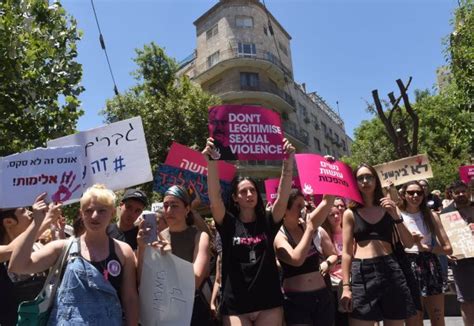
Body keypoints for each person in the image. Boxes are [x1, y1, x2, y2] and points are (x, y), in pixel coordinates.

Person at [9, 185, 139, 325]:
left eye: (102, 210)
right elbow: (18, 266)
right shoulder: (62, 247)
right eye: (89, 210)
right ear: (81, 213)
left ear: (113, 213)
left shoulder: (124, 251)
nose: (94, 216)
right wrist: (36, 223)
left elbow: (130, 298)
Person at [203, 137, 295, 326]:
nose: (250, 195)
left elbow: (284, 194)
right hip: (236, 305)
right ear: (235, 198)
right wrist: (211, 163)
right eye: (243, 192)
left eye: (252, 190)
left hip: (268, 302)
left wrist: (287, 160)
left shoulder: (269, 220)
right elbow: (214, 198)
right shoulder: (227, 223)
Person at [339, 163, 416, 325]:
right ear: (355, 183)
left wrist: (395, 214)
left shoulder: (389, 207)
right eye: (360, 178)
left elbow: (408, 243)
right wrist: (346, 287)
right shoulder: (349, 214)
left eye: (369, 177)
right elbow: (346, 253)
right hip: (362, 272)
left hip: (391, 270)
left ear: (376, 181)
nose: (365, 181)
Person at [137, 185, 211, 326]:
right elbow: (142, 280)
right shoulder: (155, 238)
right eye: (166, 205)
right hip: (162, 309)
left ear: (187, 209)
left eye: (175, 205)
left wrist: (170, 256)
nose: (169, 210)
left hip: (191, 310)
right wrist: (141, 248)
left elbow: (194, 281)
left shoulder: (200, 237)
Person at [274, 188, 337, 325]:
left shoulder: (306, 225)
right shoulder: (280, 235)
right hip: (297, 301)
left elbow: (326, 203)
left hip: (322, 297)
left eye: (305, 205)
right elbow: (296, 260)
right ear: (285, 210)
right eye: (298, 206)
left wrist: (329, 179)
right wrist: (309, 229)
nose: (304, 210)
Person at [399, 181, 452, 326]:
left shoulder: (431, 215)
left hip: (430, 265)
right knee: (414, 319)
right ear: (403, 195)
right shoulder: (397, 216)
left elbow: (448, 248)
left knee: (437, 317)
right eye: (410, 193)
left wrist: (426, 248)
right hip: (407, 265)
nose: (415, 195)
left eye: (419, 192)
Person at [442, 180, 474, 326]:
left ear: (468, 191)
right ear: (451, 194)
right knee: (467, 301)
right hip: (461, 262)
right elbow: (442, 238)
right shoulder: (446, 214)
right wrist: (446, 251)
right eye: (457, 192)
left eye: (463, 191)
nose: (461, 194)